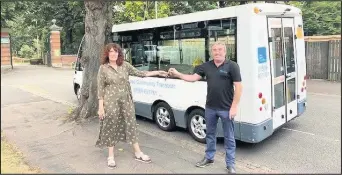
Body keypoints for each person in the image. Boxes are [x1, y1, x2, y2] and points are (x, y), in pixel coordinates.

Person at [168, 42, 242, 174]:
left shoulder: (232, 66)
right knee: (210, 134)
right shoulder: (206, 66)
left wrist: (234, 106)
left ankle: (230, 164)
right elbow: (193, 78)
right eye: (214, 50)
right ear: (211, 52)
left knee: (229, 137)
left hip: (226, 108)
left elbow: (239, 87)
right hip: (210, 108)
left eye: (220, 50)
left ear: (225, 52)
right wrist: (178, 74)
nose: (217, 52)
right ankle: (209, 158)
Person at [95, 43, 168, 168]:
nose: (113, 53)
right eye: (111, 51)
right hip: (110, 102)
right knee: (110, 125)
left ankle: (138, 152)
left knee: (131, 124)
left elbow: (140, 73)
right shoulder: (103, 68)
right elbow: (100, 89)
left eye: (116, 51)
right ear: (107, 54)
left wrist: (157, 72)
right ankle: (111, 156)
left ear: (119, 53)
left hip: (126, 101)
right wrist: (101, 107)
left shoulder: (125, 65)